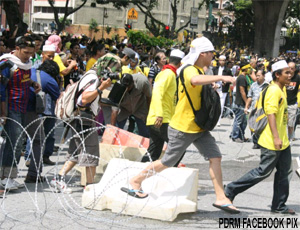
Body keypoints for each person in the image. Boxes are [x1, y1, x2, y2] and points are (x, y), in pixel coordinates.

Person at [123, 37, 239, 214]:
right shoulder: (188, 69)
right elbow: (194, 80)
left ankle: (221, 198)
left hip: (198, 127)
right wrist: (222, 77)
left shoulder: (198, 69)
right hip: (183, 127)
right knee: (167, 161)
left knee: (215, 157)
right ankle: (136, 181)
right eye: (211, 53)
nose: (213, 56)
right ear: (202, 54)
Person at [225, 60, 295, 215]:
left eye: (291, 72)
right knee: (262, 171)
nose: (290, 75)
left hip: (283, 142)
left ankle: (279, 205)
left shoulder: (281, 89)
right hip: (272, 141)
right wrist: (276, 138)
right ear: (277, 75)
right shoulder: (274, 91)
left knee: (284, 173)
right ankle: (230, 189)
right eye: (287, 72)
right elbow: (270, 114)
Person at [50, 66, 112, 193]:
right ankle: (89, 187)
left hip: (81, 119)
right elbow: (83, 100)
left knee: (76, 153)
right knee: (91, 153)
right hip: (85, 120)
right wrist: (101, 88)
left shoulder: (87, 77)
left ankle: (59, 178)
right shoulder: (93, 79)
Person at [0, 36, 41, 190]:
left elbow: (23, 79)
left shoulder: (26, 64)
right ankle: (6, 177)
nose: (28, 56)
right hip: (11, 108)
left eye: (31, 53)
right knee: (14, 143)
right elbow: (1, 89)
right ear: (17, 48)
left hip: (24, 107)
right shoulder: (6, 64)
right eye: (25, 52)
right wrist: (3, 113)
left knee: (17, 143)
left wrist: (32, 83)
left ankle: (8, 176)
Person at [141, 49, 185, 162]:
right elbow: (157, 93)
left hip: (161, 119)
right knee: (179, 147)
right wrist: (159, 115)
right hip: (161, 119)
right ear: (180, 63)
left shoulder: (169, 73)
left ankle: (141, 173)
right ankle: (169, 172)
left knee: (154, 151)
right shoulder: (168, 74)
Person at [24, 59, 60, 182]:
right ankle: (33, 174)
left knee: (13, 142)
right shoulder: (50, 80)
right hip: (32, 111)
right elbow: (58, 98)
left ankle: (6, 175)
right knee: (38, 140)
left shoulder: (30, 71)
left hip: (15, 107)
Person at [116, 73, 152, 138]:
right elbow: (114, 109)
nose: (126, 89)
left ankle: (144, 146)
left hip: (140, 107)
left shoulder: (142, 82)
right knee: (116, 128)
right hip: (124, 108)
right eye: (125, 87)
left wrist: (149, 114)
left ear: (133, 83)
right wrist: (112, 129)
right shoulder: (118, 86)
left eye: (128, 87)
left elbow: (149, 97)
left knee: (145, 133)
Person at [244, 69, 269, 149]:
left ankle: (262, 142)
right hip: (253, 109)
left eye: (259, 75)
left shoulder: (268, 86)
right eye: (256, 76)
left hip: (263, 110)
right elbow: (250, 97)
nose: (257, 77)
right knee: (253, 126)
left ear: (264, 76)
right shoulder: (253, 85)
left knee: (262, 126)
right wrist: (246, 106)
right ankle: (255, 142)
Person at [230, 62, 250, 143]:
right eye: (249, 68)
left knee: (244, 121)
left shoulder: (245, 77)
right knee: (238, 120)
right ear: (245, 68)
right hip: (240, 102)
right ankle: (235, 136)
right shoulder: (241, 78)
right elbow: (242, 91)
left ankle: (241, 135)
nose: (250, 70)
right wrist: (246, 103)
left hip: (242, 103)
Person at [212, 55, 233, 126]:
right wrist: (214, 83)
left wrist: (226, 82)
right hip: (215, 88)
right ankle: (212, 119)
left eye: (223, 60)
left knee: (221, 105)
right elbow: (211, 77)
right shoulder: (214, 69)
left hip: (223, 90)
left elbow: (231, 79)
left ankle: (218, 120)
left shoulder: (228, 70)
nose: (222, 62)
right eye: (220, 60)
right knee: (213, 104)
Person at [286, 62, 300, 141]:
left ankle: (290, 139)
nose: (290, 70)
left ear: (295, 69)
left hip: (292, 104)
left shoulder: (297, 78)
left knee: (290, 124)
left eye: (292, 68)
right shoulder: (283, 76)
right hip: (282, 104)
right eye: (288, 68)